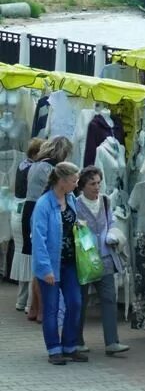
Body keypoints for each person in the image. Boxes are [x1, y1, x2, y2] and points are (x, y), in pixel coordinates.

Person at [31, 161, 86, 365]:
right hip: (51, 265)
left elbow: (72, 224)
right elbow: (38, 238)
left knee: (75, 302)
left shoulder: (71, 198)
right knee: (52, 308)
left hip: (71, 262)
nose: (77, 184)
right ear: (62, 181)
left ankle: (69, 345)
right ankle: (54, 349)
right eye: (74, 180)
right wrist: (45, 268)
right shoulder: (44, 205)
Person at [74, 166, 129, 356]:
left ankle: (112, 342)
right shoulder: (76, 204)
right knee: (81, 301)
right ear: (83, 186)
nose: (97, 187)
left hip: (105, 258)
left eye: (98, 182)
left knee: (109, 299)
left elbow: (111, 222)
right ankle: (77, 341)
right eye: (92, 184)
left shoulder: (105, 201)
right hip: (84, 260)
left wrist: (113, 234)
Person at [23, 135, 72, 323]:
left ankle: (35, 308)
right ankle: (43, 310)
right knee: (45, 262)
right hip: (41, 212)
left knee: (37, 263)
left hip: (29, 208)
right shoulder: (50, 169)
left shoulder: (35, 165)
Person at [12, 137, 43, 313]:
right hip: (27, 210)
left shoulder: (22, 164)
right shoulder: (35, 168)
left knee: (23, 255)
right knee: (31, 258)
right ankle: (30, 304)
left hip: (17, 210)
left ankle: (21, 300)